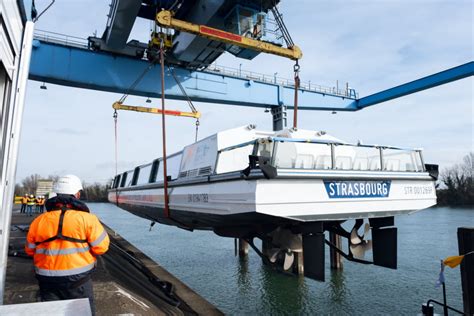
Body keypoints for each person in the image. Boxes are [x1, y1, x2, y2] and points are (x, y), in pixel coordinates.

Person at [25, 175, 109, 315]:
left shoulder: (39, 221)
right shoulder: (87, 219)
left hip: (47, 280)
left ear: (56, 194)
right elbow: (102, 248)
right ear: (77, 194)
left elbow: (29, 250)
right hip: (78, 280)